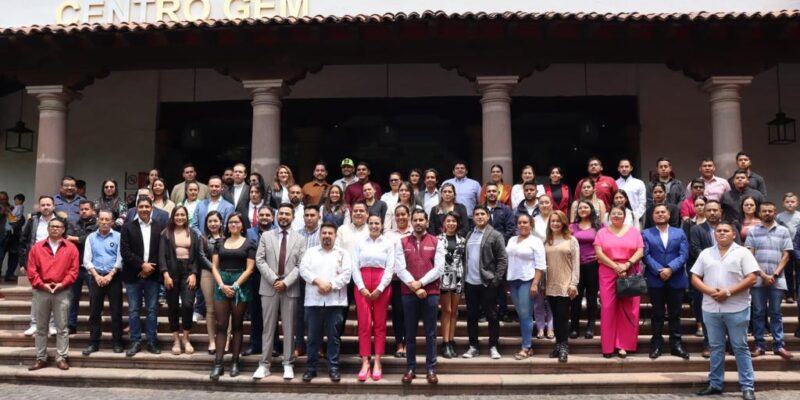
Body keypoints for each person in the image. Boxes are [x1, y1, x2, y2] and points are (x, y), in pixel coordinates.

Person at [690, 221, 759, 400]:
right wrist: (710, 291)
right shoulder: (706, 253)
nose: (721, 233)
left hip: (737, 308)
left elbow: (752, 278)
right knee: (716, 347)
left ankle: (747, 386)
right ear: (714, 234)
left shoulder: (743, 252)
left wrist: (728, 292)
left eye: (725, 231)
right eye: (718, 231)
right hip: (711, 308)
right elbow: (695, 277)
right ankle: (715, 384)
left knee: (740, 347)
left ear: (733, 234)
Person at [253, 204, 307, 380]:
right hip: (269, 287)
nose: (283, 216)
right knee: (268, 328)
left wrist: (286, 282)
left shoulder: (300, 239)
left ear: (293, 217)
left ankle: (288, 363)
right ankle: (264, 364)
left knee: (289, 327)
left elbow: (301, 264)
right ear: (277, 216)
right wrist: (274, 280)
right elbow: (259, 260)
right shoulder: (266, 236)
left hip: (290, 288)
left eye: (287, 214)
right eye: (281, 213)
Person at [299, 223, 353, 383]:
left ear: (335, 236)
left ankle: (333, 368)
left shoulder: (343, 254)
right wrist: (318, 282)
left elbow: (347, 274)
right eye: (324, 233)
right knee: (312, 338)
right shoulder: (310, 252)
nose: (327, 236)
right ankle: (311, 368)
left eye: (330, 233)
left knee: (333, 337)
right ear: (319, 235)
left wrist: (330, 285)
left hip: (335, 301)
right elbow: (303, 270)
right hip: (313, 301)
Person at [396, 209, 444, 384]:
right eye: (415, 220)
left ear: (427, 221)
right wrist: (415, 287)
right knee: (409, 333)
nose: (418, 222)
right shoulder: (402, 242)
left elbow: (438, 269)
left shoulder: (436, 242)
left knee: (431, 333)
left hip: (431, 293)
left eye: (421, 220)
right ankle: (410, 368)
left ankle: (431, 369)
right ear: (411, 222)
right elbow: (399, 268)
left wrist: (421, 283)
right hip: (409, 293)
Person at [688, 200, 741, 358]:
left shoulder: (730, 228)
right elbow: (695, 249)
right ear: (704, 212)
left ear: (721, 212)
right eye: (709, 210)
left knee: (731, 312)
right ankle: (708, 344)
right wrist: (714, 262)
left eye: (715, 210)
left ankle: (732, 344)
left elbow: (738, 249)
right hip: (705, 277)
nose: (712, 213)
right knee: (707, 312)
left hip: (730, 277)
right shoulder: (696, 229)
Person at [26, 217, 79, 371]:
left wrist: (62, 284)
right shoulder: (37, 248)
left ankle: (61, 357)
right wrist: (42, 285)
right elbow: (32, 270)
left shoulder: (71, 248)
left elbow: (73, 271)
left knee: (62, 327)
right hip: (41, 291)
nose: (55, 229)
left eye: (58, 226)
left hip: (62, 291)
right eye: (52, 226)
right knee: (41, 327)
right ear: (48, 228)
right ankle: (41, 358)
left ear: (63, 229)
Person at [209, 213, 256, 380]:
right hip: (222, 283)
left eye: (237, 222)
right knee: (221, 325)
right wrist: (222, 285)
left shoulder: (249, 243)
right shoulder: (219, 242)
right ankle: (218, 363)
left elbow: (250, 268)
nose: (233, 224)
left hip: (240, 284)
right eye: (230, 222)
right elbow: (214, 266)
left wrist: (235, 286)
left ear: (242, 225)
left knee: (237, 325)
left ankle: (235, 362)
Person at [745, 201, 794, 360]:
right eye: (764, 211)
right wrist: (763, 275)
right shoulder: (753, 231)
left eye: (770, 211)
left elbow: (786, 255)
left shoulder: (783, 231)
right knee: (758, 312)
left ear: (775, 212)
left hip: (777, 280)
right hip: (758, 279)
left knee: (776, 313)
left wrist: (774, 274)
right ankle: (759, 345)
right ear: (760, 213)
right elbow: (750, 255)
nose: (767, 213)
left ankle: (779, 345)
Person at [593, 205, 644, 358]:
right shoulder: (602, 232)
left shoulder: (634, 232)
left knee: (629, 308)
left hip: (629, 271)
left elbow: (640, 251)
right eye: (613, 213)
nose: (616, 215)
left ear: (625, 216)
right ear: (609, 216)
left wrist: (626, 265)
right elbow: (599, 253)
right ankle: (608, 346)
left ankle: (623, 345)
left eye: (619, 213)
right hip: (608, 271)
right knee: (608, 307)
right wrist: (616, 266)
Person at [642, 204, 690, 359]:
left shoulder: (679, 232)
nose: (660, 214)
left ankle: (676, 345)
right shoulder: (646, 233)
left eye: (663, 212)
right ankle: (656, 344)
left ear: (669, 215)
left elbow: (684, 254)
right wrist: (659, 270)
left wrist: (670, 268)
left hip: (676, 278)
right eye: (657, 212)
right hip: (655, 279)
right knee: (657, 314)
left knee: (675, 314)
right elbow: (645, 255)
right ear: (652, 216)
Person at [120, 197, 166, 357]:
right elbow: (125, 251)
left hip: (153, 275)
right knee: (134, 310)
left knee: (152, 310)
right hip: (133, 275)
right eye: (141, 206)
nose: (144, 209)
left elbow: (162, 251)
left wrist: (149, 268)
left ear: (152, 208)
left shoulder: (160, 227)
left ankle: (152, 342)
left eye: (147, 206)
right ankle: (135, 342)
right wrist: (141, 265)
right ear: (136, 208)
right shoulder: (127, 227)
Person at [351, 215, 395, 381]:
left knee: (380, 324)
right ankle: (365, 361)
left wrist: (380, 288)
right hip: (362, 283)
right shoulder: (360, 242)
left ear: (382, 225)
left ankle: (377, 361)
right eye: (371, 223)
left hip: (381, 283)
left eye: (377, 223)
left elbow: (390, 268)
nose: (374, 226)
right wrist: (361, 287)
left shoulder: (388, 243)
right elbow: (354, 266)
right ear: (367, 224)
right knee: (364, 324)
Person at [461, 206, 508, 360]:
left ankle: (493, 346)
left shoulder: (495, 235)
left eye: (482, 214)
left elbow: (502, 259)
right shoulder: (469, 234)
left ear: (488, 216)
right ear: (473, 217)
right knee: (472, 316)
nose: (480, 216)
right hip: (470, 282)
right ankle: (473, 346)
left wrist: (496, 279)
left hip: (488, 282)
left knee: (492, 315)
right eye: (477, 214)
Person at [81, 209, 124, 355]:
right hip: (96, 278)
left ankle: (117, 342)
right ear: (97, 220)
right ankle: (93, 342)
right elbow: (87, 260)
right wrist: (96, 276)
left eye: (107, 220)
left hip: (114, 278)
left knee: (116, 312)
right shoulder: (91, 237)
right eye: (102, 219)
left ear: (112, 222)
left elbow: (120, 258)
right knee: (94, 312)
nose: (104, 222)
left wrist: (110, 275)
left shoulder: (118, 237)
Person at [158, 206, 200, 356]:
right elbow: (161, 256)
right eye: (177, 215)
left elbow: (197, 256)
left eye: (183, 215)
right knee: (173, 306)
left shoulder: (193, 233)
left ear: (187, 216)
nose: (180, 217)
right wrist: (165, 274)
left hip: (188, 272)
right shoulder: (166, 233)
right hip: (171, 272)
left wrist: (194, 273)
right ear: (172, 217)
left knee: (188, 304)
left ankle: (186, 338)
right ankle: (176, 339)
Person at [505, 213, 547, 360]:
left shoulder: (536, 241)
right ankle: (527, 345)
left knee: (525, 314)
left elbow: (541, 265)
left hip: (527, 280)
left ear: (531, 225)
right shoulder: (511, 240)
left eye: (525, 222)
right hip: (513, 280)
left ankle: (526, 347)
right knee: (521, 314)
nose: (522, 225)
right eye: (520, 223)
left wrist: (535, 283)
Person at [19, 196, 59, 337]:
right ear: (39, 207)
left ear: (54, 206)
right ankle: (34, 324)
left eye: (48, 204)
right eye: (43, 205)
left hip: (55, 262)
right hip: (36, 262)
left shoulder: (60, 221)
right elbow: (23, 241)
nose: (46, 207)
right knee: (37, 295)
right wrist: (23, 263)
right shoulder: (33, 221)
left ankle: (52, 325)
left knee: (54, 293)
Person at [544, 210, 580, 362]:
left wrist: (574, 283)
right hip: (550, 284)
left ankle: (564, 346)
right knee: (555, 317)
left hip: (566, 284)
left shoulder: (571, 240)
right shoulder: (546, 241)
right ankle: (558, 345)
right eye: (553, 221)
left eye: (558, 221)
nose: (555, 223)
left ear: (564, 222)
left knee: (563, 317)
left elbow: (576, 264)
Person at [242, 206, 273, 357]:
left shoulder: (277, 232)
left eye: (267, 215)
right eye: (262, 215)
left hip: (272, 276)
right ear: (257, 217)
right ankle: (255, 344)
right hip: (253, 276)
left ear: (272, 217)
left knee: (271, 314)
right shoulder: (249, 233)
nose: (264, 217)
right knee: (255, 313)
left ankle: (273, 345)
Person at [569, 200, 602, 339]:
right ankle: (574, 326)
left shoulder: (599, 226)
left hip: (593, 265)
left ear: (591, 209)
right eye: (580, 208)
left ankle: (591, 326)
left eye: (586, 207)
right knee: (575, 296)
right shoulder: (572, 226)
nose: (582, 209)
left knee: (591, 296)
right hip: (575, 266)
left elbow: (606, 242)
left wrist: (601, 255)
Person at [385, 204, 413, 359]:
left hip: (411, 280)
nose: (401, 217)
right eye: (398, 215)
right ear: (394, 217)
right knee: (397, 312)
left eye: (403, 214)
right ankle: (399, 343)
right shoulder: (388, 235)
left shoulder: (414, 232)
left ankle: (409, 343)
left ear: (408, 216)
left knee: (410, 312)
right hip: (395, 280)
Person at [65, 200, 97, 334]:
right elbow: (67, 239)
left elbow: (90, 239)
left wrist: (75, 238)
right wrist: (76, 239)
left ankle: (94, 325)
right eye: (82, 209)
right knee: (73, 298)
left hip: (92, 267)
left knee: (94, 297)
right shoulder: (73, 224)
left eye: (86, 209)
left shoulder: (97, 224)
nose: (83, 211)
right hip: (75, 266)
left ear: (93, 211)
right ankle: (71, 325)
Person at [437, 211, 466, 359]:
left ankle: (451, 340)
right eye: (448, 221)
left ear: (458, 223)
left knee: (454, 311)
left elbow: (463, 259)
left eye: (454, 221)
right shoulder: (438, 239)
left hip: (459, 276)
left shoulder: (462, 240)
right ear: (444, 223)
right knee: (446, 310)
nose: (451, 224)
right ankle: (445, 342)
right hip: (444, 276)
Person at [294, 205, 322, 357]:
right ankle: (299, 345)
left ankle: (317, 346)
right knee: (299, 313)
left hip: (317, 279)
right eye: (307, 215)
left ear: (319, 216)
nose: (309, 218)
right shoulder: (297, 234)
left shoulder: (323, 233)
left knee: (317, 314)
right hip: (299, 279)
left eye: (313, 215)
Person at [198, 211, 224, 355]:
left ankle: (226, 339)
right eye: (210, 221)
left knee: (226, 309)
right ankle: (212, 341)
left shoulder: (227, 238)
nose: (213, 224)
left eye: (215, 221)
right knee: (210, 309)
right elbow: (201, 256)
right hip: (207, 274)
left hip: (225, 274)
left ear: (221, 222)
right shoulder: (202, 238)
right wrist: (213, 268)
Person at [777, 192, 799, 304]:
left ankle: (798, 295)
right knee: (787, 272)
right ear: (783, 204)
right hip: (785, 248)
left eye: (792, 201)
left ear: (797, 203)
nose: (790, 204)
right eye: (787, 202)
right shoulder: (779, 217)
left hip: (798, 248)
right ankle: (789, 295)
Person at [616, 159, 646, 225]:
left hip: (637, 218)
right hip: (619, 218)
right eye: (621, 167)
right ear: (618, 169)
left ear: (631, 168)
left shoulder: (639, 183)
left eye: (626, 166)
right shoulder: (615, 184)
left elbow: (643, 202)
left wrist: (636, 216)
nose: (624, 169)